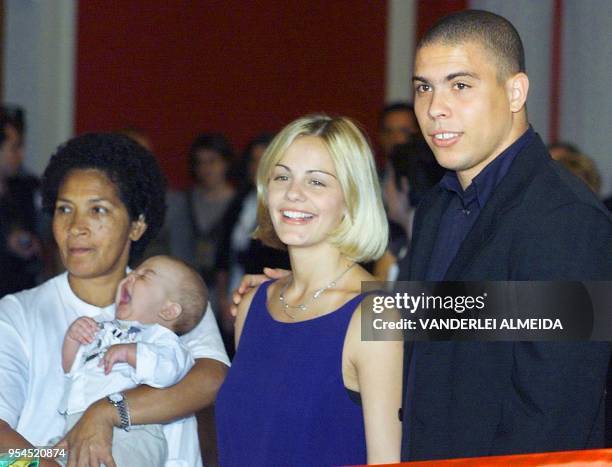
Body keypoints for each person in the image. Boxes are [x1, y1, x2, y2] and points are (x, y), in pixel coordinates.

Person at [399, 9, 612, 460]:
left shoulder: (566, 218)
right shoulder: (438, 205)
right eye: (424, 87)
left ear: (515, 91)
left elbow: (552, 412)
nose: (435, 107)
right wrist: (298, 294)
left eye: (460, 85)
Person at [0, 133, 229, 467]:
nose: (76, 226)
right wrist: (45, 463)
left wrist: (106, 412)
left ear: (136, 225)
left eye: (98, 210)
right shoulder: (17, 314)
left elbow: (212, 379)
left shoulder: (171, 296)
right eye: (65, 209)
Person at [216, 115, 402, 466]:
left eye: (317, 182)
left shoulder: (374, 316)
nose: (293, 193)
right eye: (282, 176)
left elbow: (386, 460)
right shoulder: (254, 303)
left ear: (351, 198)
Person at [58, 255, 207, 467]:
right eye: (133, 272)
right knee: (17, 460)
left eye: (145, 276)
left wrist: (132, 353)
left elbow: (167, 371)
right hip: (76, 429)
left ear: (168, 310)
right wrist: (73, 339)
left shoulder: (164, 340)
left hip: (132, 433)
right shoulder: (104, 327)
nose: (131, 277)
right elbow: (69, 368)